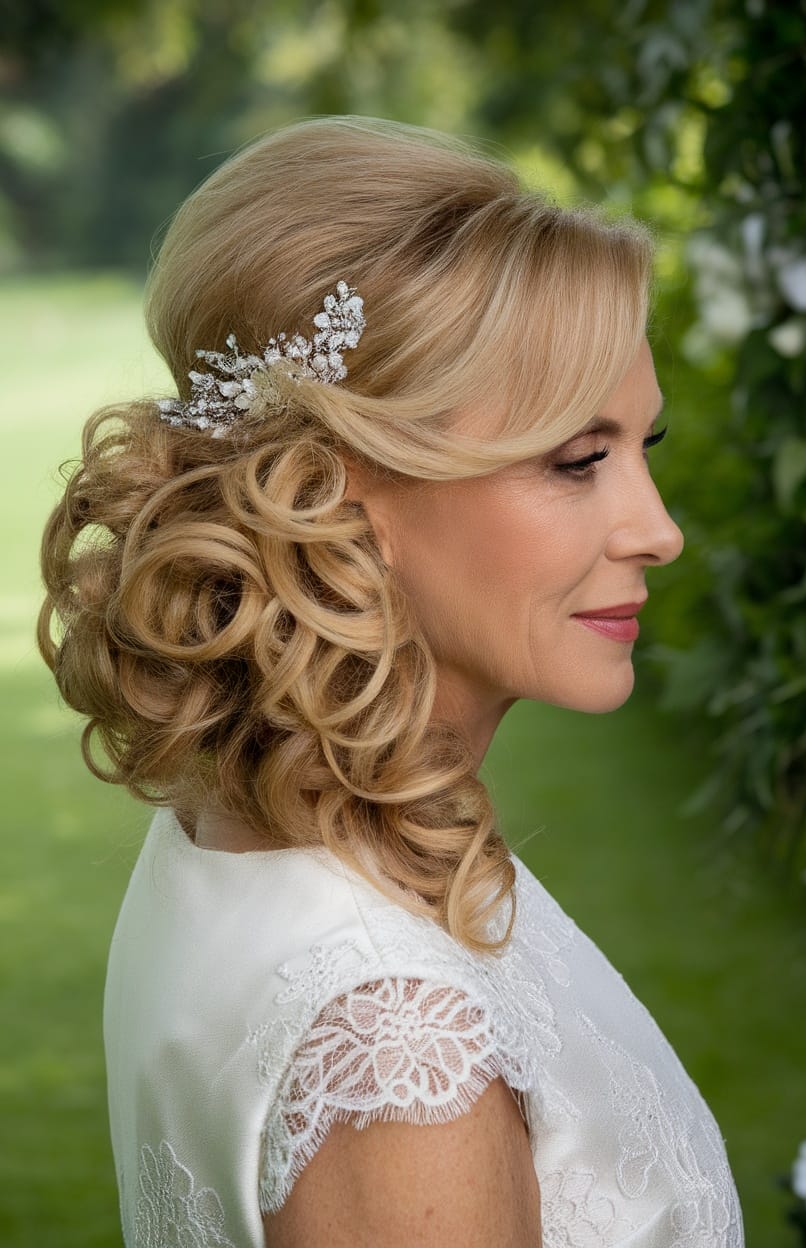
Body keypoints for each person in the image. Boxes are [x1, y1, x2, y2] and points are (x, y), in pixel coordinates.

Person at [37, 115, 744, 1247]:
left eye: (640, 451)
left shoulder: (259, 825)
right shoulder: (402, 1058)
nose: (656, 532)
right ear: (336, 486)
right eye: (576, 462)